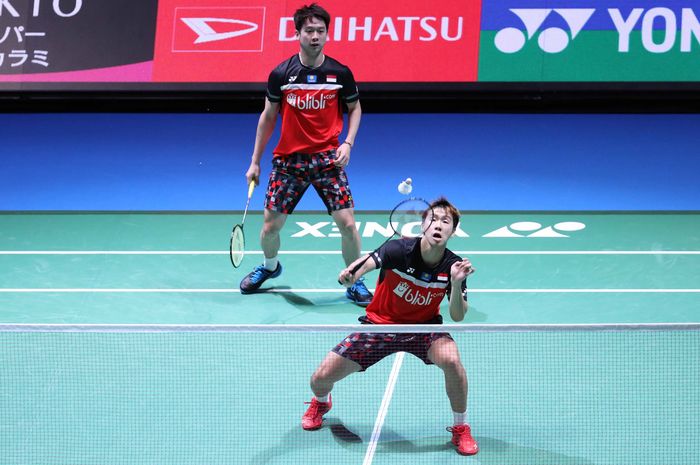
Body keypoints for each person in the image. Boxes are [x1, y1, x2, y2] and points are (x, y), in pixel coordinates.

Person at [301, 197, 479, 456]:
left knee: (452, 361)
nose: (438, 225)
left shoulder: (454, 266)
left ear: (453, 230)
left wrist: (454, 283)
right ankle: (321, 403)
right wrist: (352, 273)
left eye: (445, 221)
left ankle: (461, 427)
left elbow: (458, 316)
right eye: (433, 219)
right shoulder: (398, 250)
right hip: (379, 326)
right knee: (319, 379)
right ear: (423, 225)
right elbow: (368, 262)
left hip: (423, 329)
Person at [239, 3, 372, 306]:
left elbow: (355, 107)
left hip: (328, 158)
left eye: (320, 31)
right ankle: (270, 268)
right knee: (270, 226)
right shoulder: (282, 74)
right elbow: (268, 117)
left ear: (327, 34)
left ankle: (355, 278)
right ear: (297, 33)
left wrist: (348, 143)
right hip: (289, 160)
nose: (315, 36)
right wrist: (255, 161)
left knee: (348, 224)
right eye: (309, 30)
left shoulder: (340, 73)